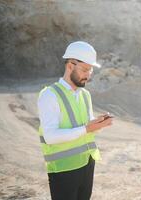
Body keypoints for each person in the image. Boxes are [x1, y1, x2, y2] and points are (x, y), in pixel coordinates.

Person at [37, 41, 112, 200]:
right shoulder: (49, 95)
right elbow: (50, 136)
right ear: (70, 65)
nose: (88, 74)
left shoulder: (85, 95)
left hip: (87, 164)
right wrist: (86, 128)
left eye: (91, 70)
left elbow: (87, 126)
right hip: (63, 169)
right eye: (85, 69)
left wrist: (99, 124)